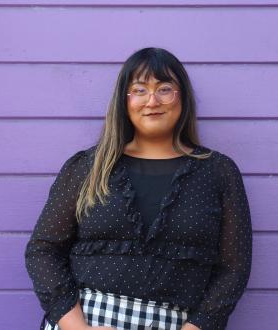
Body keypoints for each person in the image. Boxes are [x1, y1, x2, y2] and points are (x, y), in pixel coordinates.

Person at [25, 47, 253, 330]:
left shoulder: (218, 172)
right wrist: (77, 327)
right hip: (86, 323)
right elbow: (43, 250)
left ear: (183, 97)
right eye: (139, 90)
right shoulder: (86, 167)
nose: (152, 100)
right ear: (124, 100)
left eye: (165, 88)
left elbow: (234, 268)